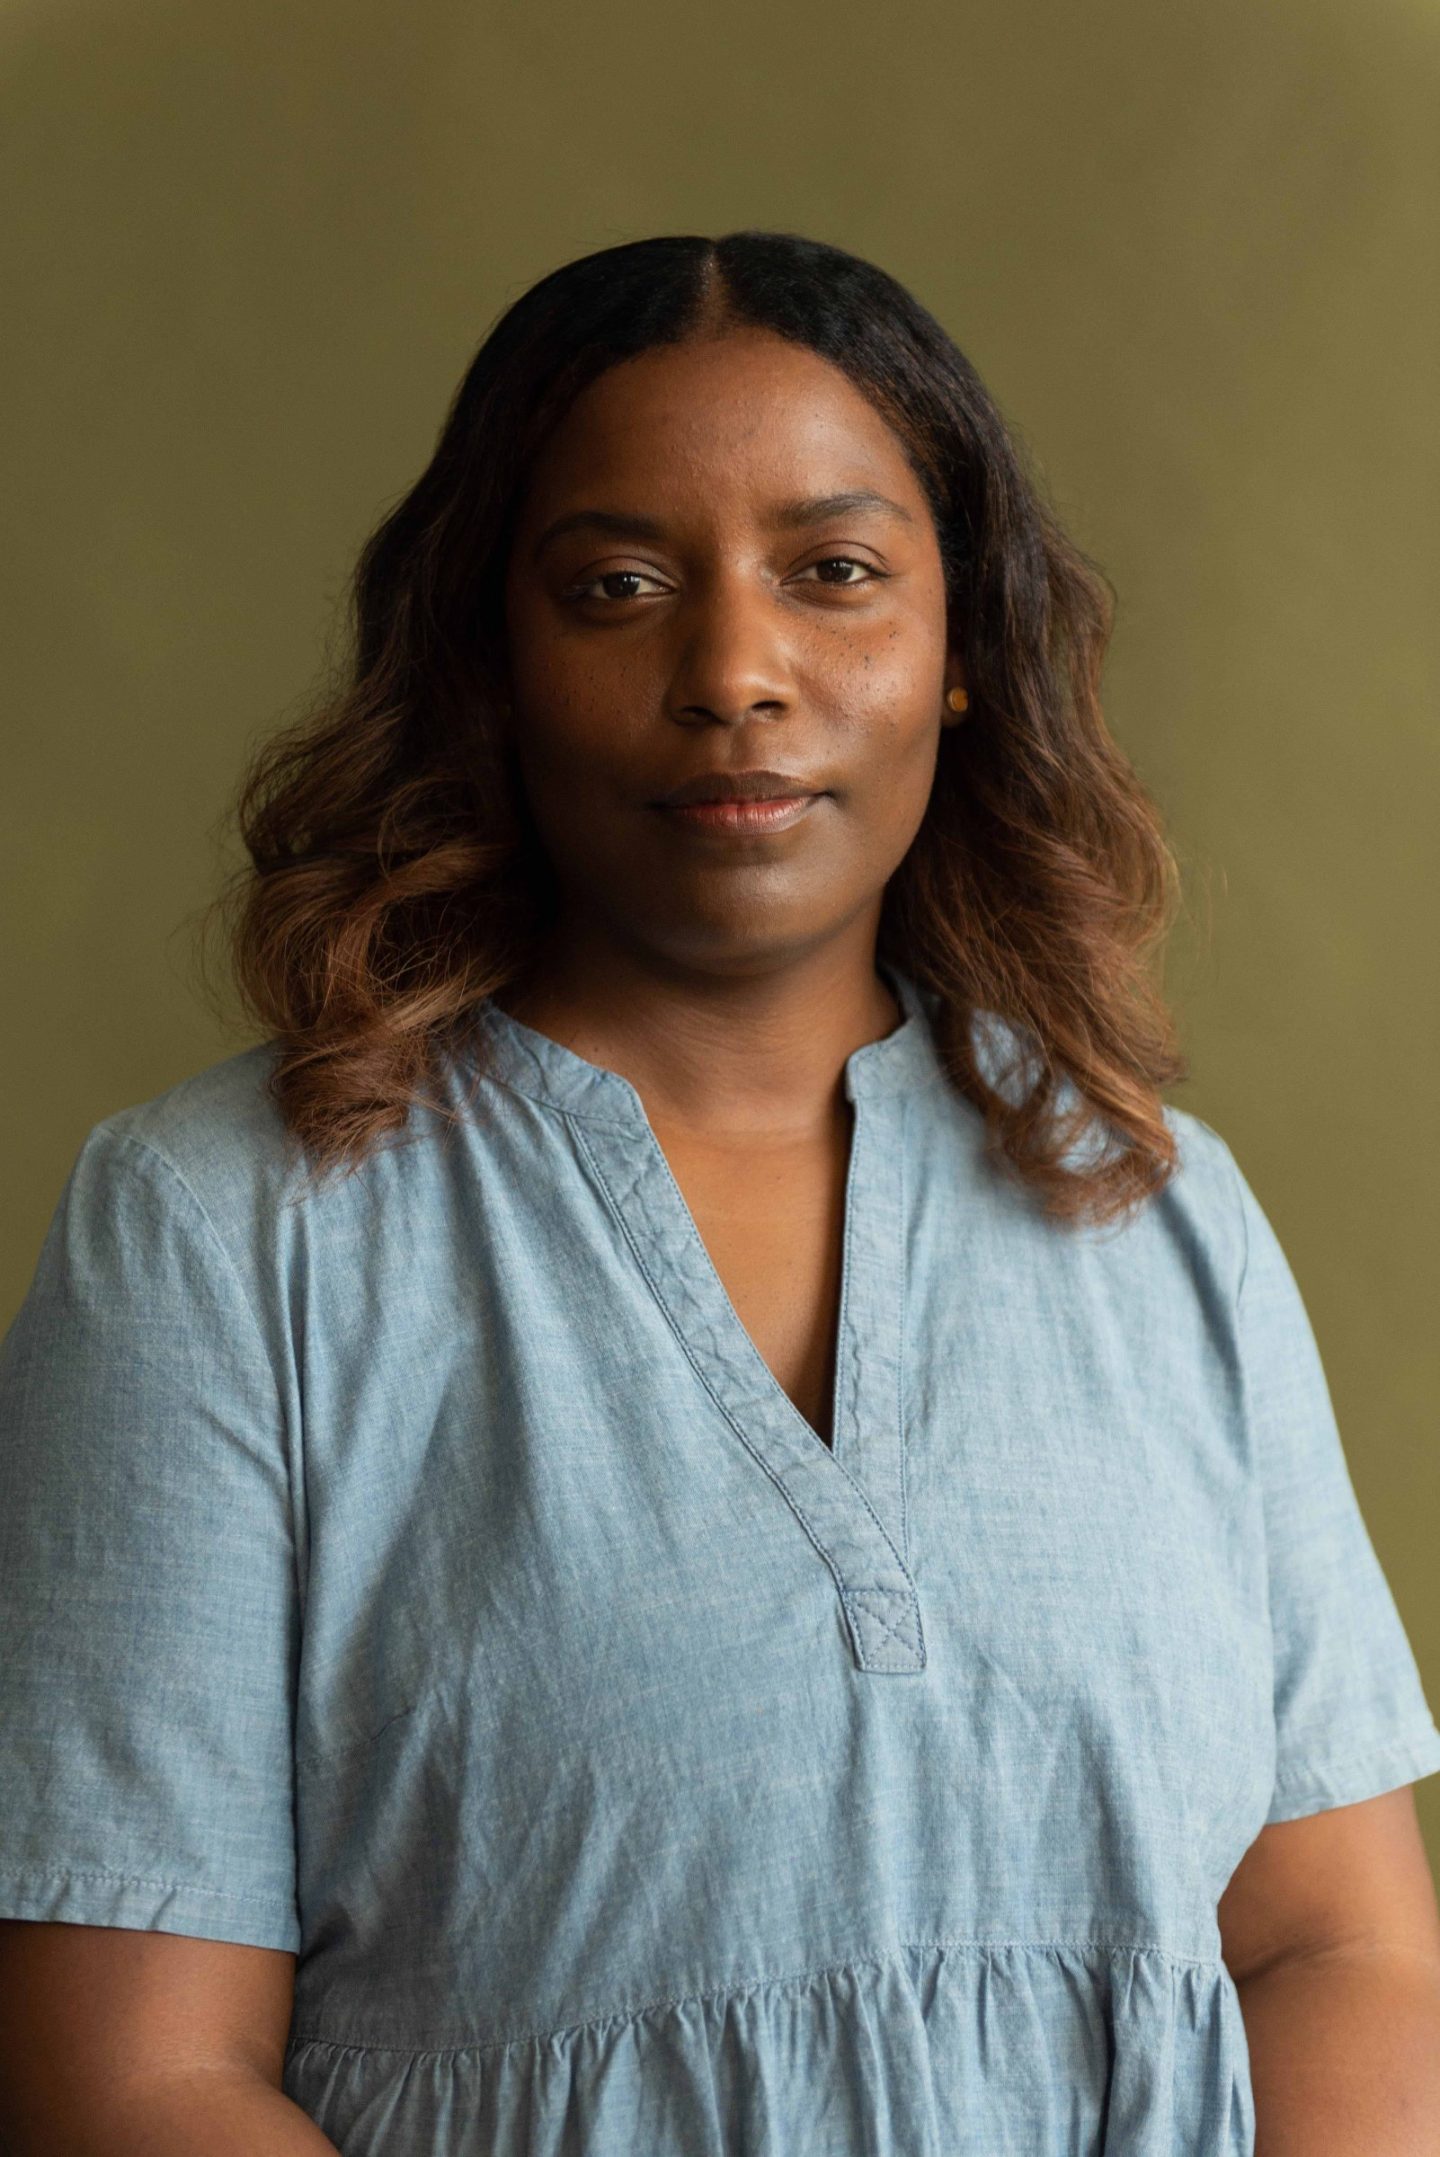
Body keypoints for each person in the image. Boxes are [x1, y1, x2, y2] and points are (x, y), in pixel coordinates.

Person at [2, 229, 1438, 2157]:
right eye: (615, 586)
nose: (735, 673)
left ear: (961, 655)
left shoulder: (1161, 1208)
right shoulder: (216, 1232)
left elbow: (1341, 1944)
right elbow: (133, 2077)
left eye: (835, 572)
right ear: (489, 666)